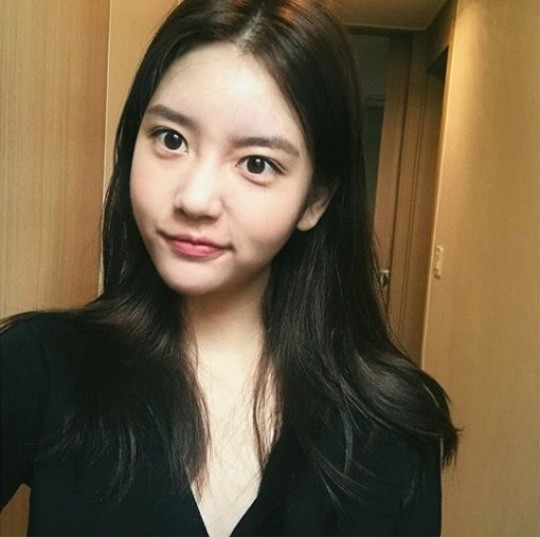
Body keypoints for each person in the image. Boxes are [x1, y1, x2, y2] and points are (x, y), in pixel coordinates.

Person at [0, 0, 459, 535]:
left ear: (315, 200)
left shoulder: (392, 426)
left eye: (257, 163)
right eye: (171, 139)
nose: (195, 198)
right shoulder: (41, 366)